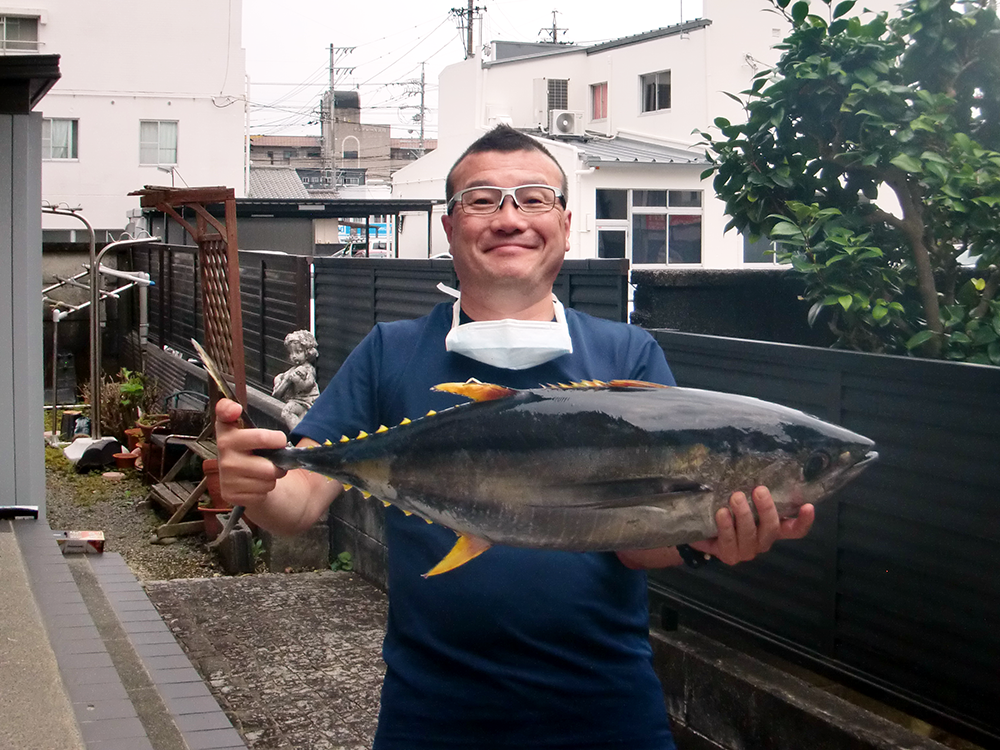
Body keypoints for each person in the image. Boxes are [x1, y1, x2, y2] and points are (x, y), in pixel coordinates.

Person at [215, 125, 815, 750]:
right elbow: (297, 502)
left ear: (565, 221)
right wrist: (257, 482)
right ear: (450, 227)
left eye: (533, 199)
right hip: (433, 720)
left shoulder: (627, 353)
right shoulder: (389, 353)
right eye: (482, 200)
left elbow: (638, 544)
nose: (510, 218)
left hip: (608, 717)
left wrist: (707, 543)